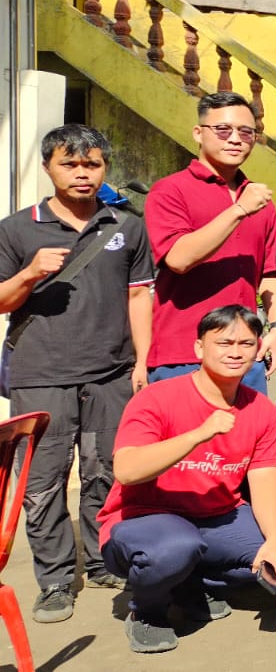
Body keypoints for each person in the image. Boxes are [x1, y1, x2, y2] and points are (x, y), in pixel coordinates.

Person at [0, 125, 153, 623]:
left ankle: (105, 559)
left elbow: (138, 296)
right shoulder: (17, 229)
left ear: (104, 168)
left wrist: (143, 361)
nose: (82, 173)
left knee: (105, 472)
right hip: (39, 375)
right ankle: (55, 580)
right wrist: (29, 273)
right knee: (42, 481)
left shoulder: (126, 226)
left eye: (92, 164)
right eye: (70, 163)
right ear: (49, 167)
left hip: (111, 372)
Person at [100, 306, 276, 654]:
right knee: (174, 548)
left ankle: (188, 583)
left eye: (246, 343)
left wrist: (274, 541)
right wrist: (197, 435)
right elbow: (127, 470)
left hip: (217, 517)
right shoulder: (157, 397)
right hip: (145, 519)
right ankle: (148, 611)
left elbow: (264, 479)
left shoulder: (260, 408)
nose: (235, 352)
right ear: (199, 348)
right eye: (224, 342)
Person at [144, 91, 276, 396]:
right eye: (223, 130)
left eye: (246, 132)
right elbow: (178, 259)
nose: (235, 139)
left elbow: (269, 274)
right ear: (199, 133)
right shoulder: (170, 191)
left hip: (245, 355)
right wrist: (238, 210)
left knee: (249, 428)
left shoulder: (260, 200)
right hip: (184, 354)